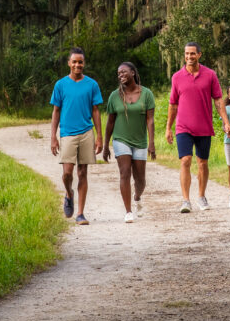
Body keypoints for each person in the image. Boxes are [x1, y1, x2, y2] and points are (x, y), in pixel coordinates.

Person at [48, 48, 107, 224]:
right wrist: (53, 136)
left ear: (84, 63)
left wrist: (99, 136)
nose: (77, 65)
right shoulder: (60, 85)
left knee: (83, 172)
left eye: (80, 62)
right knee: (67, 173)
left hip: (86, 132)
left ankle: (80, 213)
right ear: (69, 63)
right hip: (67, 133)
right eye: (74, 62)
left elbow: (96, 111)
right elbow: (56, 111)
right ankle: (69, 193)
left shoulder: (91, 84)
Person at [164, 40, 221, 213]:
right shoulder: (177, 77)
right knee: (185, 160)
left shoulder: (210, 75)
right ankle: (185, 200)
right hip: (183, 127)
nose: (189, 56)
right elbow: (173, 104)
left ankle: (201, 197)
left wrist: (225, 121)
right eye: (187, 53)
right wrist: (168, 128)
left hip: (204, 126)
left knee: (202, 163)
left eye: (193, 53)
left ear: (199, 55)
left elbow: (218, 99)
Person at [102, 61, 157, 222]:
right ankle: (128, 211)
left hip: (140, 141)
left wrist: (151, 143)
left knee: (140, 180)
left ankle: (137, 197)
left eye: (124, 72)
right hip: (121, 139)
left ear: (133, 73)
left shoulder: (146, 94)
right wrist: (106, 145)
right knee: (124, 172)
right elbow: (110, 122)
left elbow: (150, 120)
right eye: (119, 73)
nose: (121, 75)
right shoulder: (114, 96)